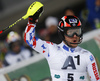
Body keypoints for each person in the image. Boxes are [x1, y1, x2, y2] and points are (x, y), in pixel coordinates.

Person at [24, 5, 100, 81]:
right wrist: (32, 21)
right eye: (71, 32)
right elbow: (29, 40)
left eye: (77, 32)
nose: (75, 36)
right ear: (62, 33)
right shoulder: (51, 49)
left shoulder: (88, 56)